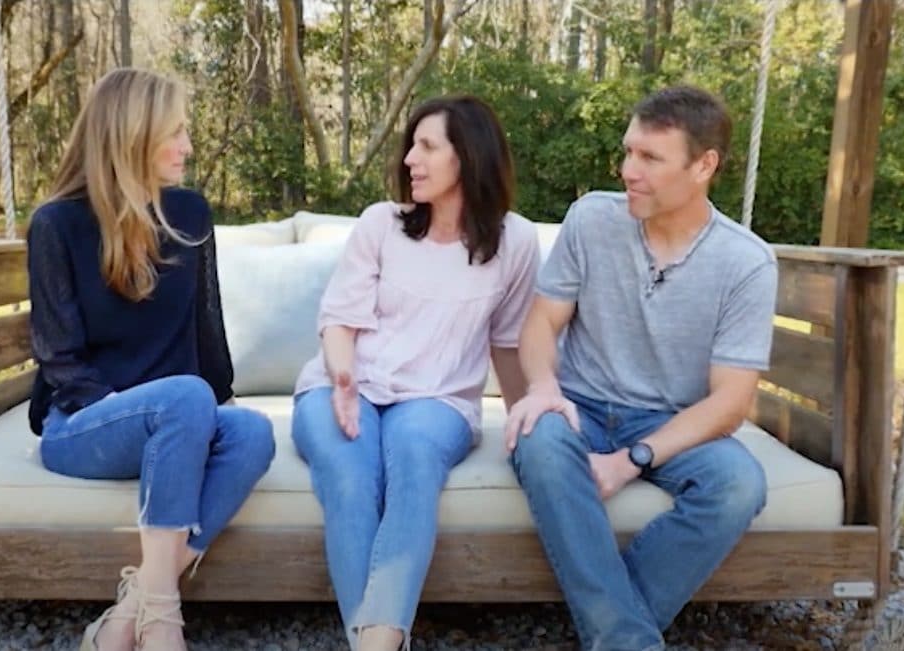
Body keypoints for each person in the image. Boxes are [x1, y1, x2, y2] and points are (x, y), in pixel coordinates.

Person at [506, 85, 777, 651]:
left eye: (651, 158)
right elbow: (539, 325)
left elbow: (729, 403)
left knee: (738, 484)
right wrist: (543, 385)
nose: (630, 169)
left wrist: (633, 460)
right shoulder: (591, 219)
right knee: (538, 438)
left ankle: (615, 631)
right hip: (577, 404)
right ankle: (628, 639)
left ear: (704, 165)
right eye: (629, 152)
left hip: (670, 421)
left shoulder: (745, 262)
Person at [27, 68, 275, 651]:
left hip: (175, 415)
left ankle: (132, 611)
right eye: (177, 132)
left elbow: (205, 331)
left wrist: (215, 416)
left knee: (252, 434)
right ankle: (163, 623)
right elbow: (59, 361)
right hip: (83, 425)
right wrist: (150, 416)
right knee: (184, 395)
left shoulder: (189, 214)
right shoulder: (56, 223)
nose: (189, 147)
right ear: (132, 135)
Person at [291, 95, 540, 651]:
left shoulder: (516, 242)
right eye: (412, 146)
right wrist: (343, 377)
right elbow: (338, 321)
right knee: (351, 475)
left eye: (427, 147)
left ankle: (374, 641)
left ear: (468, 157)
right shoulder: (382, 224)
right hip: (344, 383)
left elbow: (507, 342)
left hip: (438, 400)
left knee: (414, 456)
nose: (410, 160)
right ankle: (379, 642)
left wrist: (530, 412)